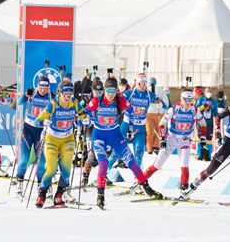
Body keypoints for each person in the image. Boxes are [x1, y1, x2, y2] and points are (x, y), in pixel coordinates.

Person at [86, 77, 157, 209]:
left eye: (114, 91)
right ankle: (100, 195)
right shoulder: (98, 100)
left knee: (131, 162)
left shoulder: (120, 100)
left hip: (115, 135)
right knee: (103, 163)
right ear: (105, 90)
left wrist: (131, 127)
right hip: (99, 136)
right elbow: (84, 111)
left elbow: (132, 112)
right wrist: (85, 120)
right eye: (109, 91)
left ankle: (147, 188)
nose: (111, 94)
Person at [182, 88, 230, 199]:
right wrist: (218, 133)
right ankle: (191, 189)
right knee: (211, 169)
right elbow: (219, 117)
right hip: (229, 142)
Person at [34, 79, 88, 207]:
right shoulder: (53, 104)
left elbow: (83, 115)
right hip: (52, 139)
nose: (68, 96)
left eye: (70, 92)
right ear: (60, 93)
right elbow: (37, 121)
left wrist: (86, 120)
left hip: (68, 139)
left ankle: (59, 195)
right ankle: (42, 194)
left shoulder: (74, 103)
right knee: (51, 169)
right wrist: (43, 122)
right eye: (66, 93)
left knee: (67, 171)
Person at [142, 89, 208, 192]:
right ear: (181, 99)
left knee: (185, 166)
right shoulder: (174, 109)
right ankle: (140, 181)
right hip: (171, 140)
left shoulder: (194, 110)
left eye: (190, 99)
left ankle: (184, 188)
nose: (188, 102)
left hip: (185, 141)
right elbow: (162, 123)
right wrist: (163, 138)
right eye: (186, 99)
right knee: (157, 165)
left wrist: (203, 138)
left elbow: (203, 124)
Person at [13, 75, 52, 191]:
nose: (43, 90)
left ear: (49, 88)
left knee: (41, 162)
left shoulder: (51, 97)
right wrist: (26, 95)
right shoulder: (32, 93)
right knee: (24, 160)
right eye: (41, 87)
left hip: (41, 132)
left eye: (46, 88)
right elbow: (19, 103)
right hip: (28, 130)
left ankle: (41, 184)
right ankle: (19, 180)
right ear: (38, 86)